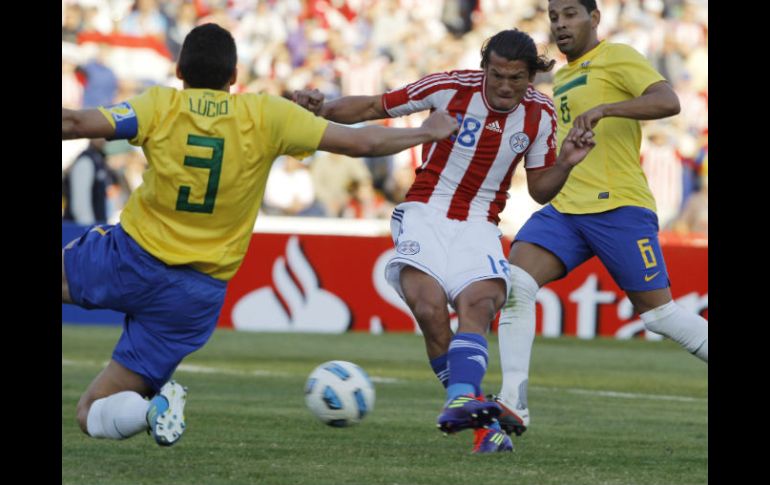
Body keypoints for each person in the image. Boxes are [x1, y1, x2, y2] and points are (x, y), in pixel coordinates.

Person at [61, 23, 458, 448]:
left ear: (179, 70)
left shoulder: (159, 105)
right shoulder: (267, 114)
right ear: (234, 76)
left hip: (130, 257)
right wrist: (425, 132)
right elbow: (362, 144)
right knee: (91, 411)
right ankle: (150, 410)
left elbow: (73, 122)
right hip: (193, 294)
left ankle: (152, 408)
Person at [294, 29, 595, 453]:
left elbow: (542, 190)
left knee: (480, 304)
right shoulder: (449, 87)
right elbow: (372, 106)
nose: (506, 86)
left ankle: (469, 409)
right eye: (498, 76)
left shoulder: (541, 114)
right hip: (425, 213)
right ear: (484, 67)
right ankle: (475, 413)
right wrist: (319, 108)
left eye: (517, 78)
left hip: (481, 224)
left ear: (532, 76)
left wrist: (565, 162)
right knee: (430, 309)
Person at [490, 0, 709, 440]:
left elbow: (668, 101)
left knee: (660, 315)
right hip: (568, 210)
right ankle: (512, 404)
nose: (560, 24)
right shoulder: (565, 75)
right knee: (515, 284)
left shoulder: (618, 56)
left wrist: (607, 109)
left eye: (570, 14)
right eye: (554, 17)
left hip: (618, 207)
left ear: (594, 18)